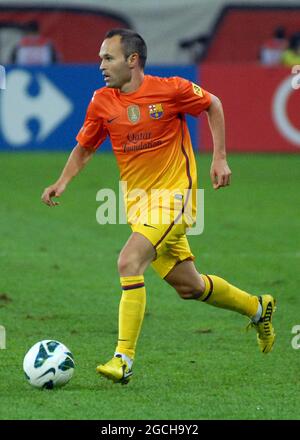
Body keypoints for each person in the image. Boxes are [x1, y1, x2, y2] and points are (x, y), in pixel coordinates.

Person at [41, 29, 276, 385]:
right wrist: (62, 181)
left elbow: (213, 104)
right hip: (139, 208)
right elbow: (86, 147)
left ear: (132, 60)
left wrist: (220, 158)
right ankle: (259, 308)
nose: (101, 65)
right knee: (191, 287)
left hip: (176, 200)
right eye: (101, 57)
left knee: (128, 261)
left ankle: (123, 359)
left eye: (109, 58)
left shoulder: (171, 89)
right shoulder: (102, 101)